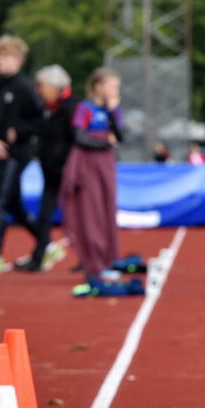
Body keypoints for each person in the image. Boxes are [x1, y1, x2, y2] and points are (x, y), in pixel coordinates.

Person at [61, 67, 142, 298]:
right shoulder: (85, 108)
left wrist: (113, 111)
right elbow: (78, 135)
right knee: (90, 212)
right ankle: (92, 262)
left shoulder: (112, 111)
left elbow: (121, 136)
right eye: (112, 86)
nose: (115, 91)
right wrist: (105, 142)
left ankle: (108, 260)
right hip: (87, 164)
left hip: (105, 165)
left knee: (106, 210)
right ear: (98, 86)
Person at [0, 35, 44, 273]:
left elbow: (40, 118)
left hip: (17, 153)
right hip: (2, 151)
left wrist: (20, 132)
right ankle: (45, 241)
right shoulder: (0, 86)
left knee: (0, 202)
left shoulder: (24, 87)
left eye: (3, 56)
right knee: (13, 204)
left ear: (16, 60)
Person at [14, 65, 75, 272]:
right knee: (45, 215)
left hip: (68, 173)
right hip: (50, 171)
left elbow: (74, 140)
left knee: (78, 217)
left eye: (41, 86)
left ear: (54, 86)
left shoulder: (71, 107)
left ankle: (91, 257)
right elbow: (40, 126)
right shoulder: (50, 108)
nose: (38, 90)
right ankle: (38, 257)